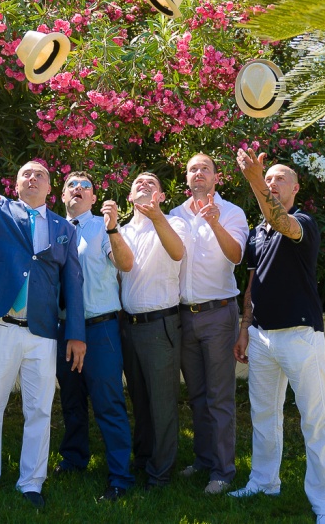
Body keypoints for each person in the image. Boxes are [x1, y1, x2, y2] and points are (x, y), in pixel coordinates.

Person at [0, 101, 86, 509]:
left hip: (42, 333)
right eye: (26, 174)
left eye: (40, 174)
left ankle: (31, 483)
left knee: (39, 410)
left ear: (51, 189)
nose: (32, 178)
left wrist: (76, 335)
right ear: (16, 185)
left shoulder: (64, 229)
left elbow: (74, 285)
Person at [229, 152, 325, 524]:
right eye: (269, 178)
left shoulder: (303, 223)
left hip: (300, 335)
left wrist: (254, 179)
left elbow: (282, 221)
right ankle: (264, 482)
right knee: (264, 415)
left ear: (295, 189)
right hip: (261, 336)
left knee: (315, 419)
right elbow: (253, 283)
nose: (273, 182)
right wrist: (245, 329)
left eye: (280, 179)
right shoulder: (257, 232)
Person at [53, 171, 135, 502]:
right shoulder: (53, 229)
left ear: (93, 198)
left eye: (85, 186)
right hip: (63, 329)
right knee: (71, 400)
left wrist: (113, 228)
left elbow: (126, 264)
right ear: (62, 196)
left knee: (108, 402)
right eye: (71, 185)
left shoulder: (104, 227)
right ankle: (74, 459)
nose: (78, 189)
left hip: (100, 329)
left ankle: (120, 476)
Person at [170, 154, 248, 494]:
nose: (198, 173)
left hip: (218, 314)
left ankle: (223, 471)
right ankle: (204, 459)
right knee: (197, 396)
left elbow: (236, 256)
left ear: (217, 177)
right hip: (184, 315)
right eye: (193, 169)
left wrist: (214, 223)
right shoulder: (174, 215)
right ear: (186, 178)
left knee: (219, 397)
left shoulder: (232, 213)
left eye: (205, 168)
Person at [115, 172, 187, 489]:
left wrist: (157, 216)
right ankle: (143, 459)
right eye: (138, 183)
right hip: (128, 327)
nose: (144, 184)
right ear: (130, 197)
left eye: (151, 183)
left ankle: (161, 473)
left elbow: (177, 252)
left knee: (162, 403)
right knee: (140, 399)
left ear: (161, 196)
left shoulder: (173, 223)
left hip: (160, 325)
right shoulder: (121, 231)